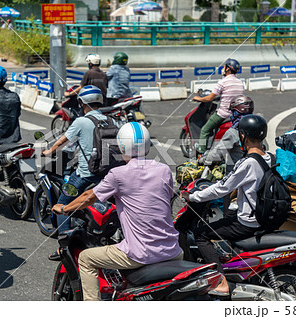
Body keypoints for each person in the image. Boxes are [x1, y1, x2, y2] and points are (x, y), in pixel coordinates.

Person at [52, 122, 183, 301]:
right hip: (172, 250)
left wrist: (64, 208)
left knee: (85, 258)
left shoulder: (118, 174)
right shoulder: (164, 169)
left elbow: (88, 197)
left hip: (141, 253)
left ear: (121, 146)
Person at [181, 114, 270, 295]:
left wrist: (194, 197)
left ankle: (220, 281)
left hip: (248, 222)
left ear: (243, 136)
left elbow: (221, 188)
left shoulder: (246, 163)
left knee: (201, 235)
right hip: (266, 217)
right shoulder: (270, 157)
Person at [43, 86, 109, 233]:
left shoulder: (81, 122)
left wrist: (49, 151)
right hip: (107, 174)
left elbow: (62, 141)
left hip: (85, 175)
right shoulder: (110, 120)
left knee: (62, 204)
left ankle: (63, 244)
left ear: (83, 103)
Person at [193, 59, 245, 153]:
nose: (223, 68)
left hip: (224, 114)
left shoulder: (223, 82)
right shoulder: (240, 82)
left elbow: (209, 98)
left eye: (225, 67)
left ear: (228, 69)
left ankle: (201, 151)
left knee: (205, 130)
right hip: (236, 113)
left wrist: (198, 98)